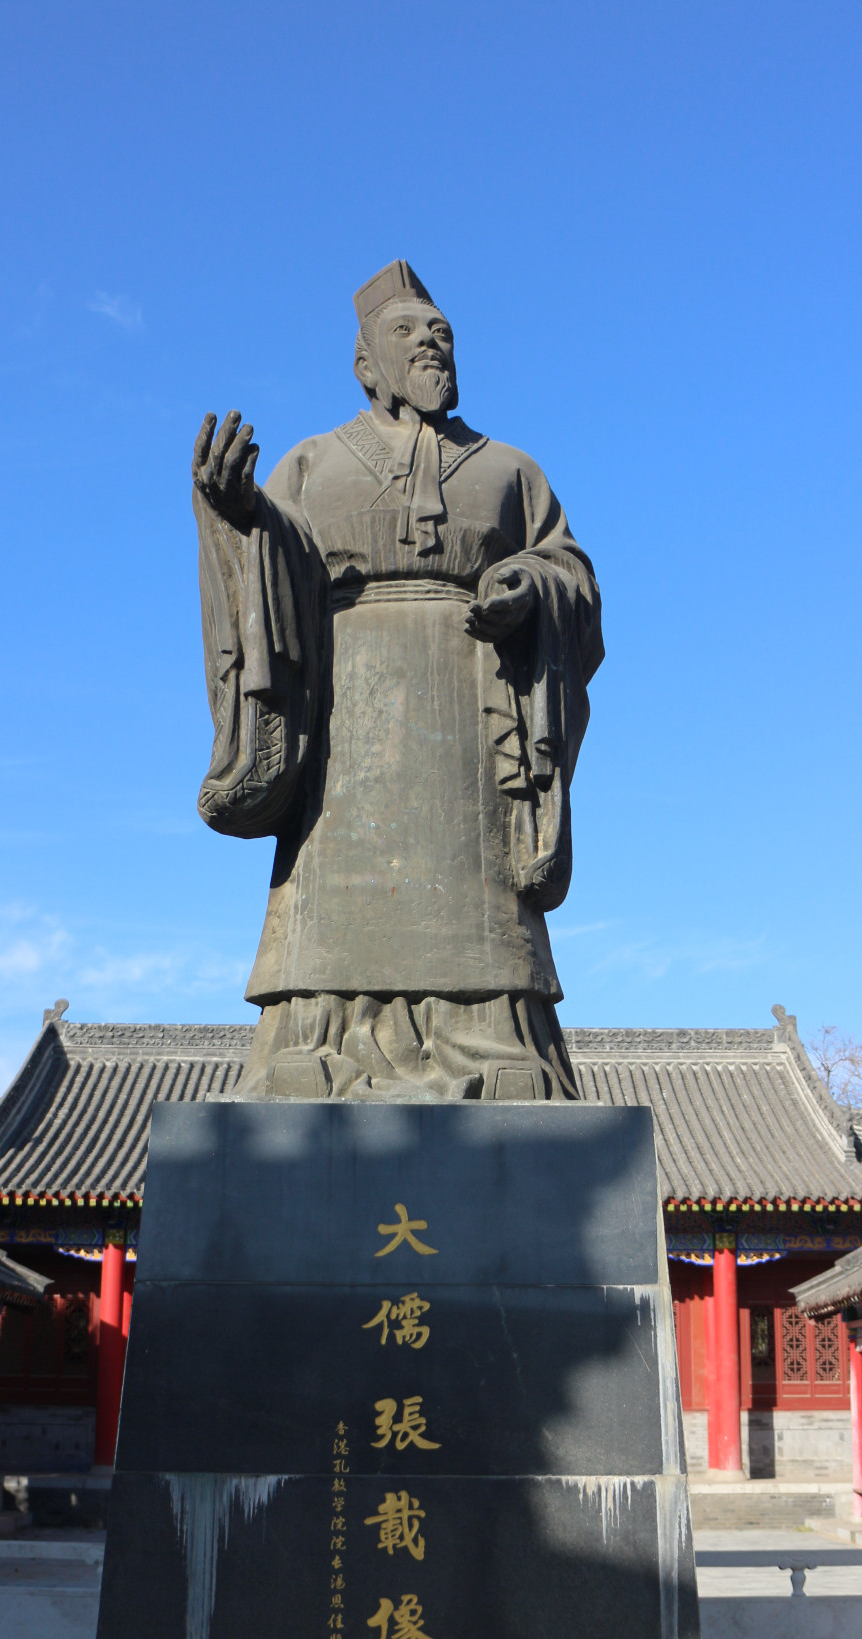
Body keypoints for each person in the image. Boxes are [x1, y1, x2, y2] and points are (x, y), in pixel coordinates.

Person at [192, 259, 604, 1101]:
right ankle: (320, 1036)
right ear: (366, 362)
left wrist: (534, 586)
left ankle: (495, 1042)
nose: (431, 345)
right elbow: (268, 565)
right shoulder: (312, 462)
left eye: (442, 333)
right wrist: (237, 515)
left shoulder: (511, 470)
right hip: (346, 709)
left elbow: (572, 572)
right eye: (408, 334)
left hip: (472, 698)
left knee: (477, 887)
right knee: (334, 883)